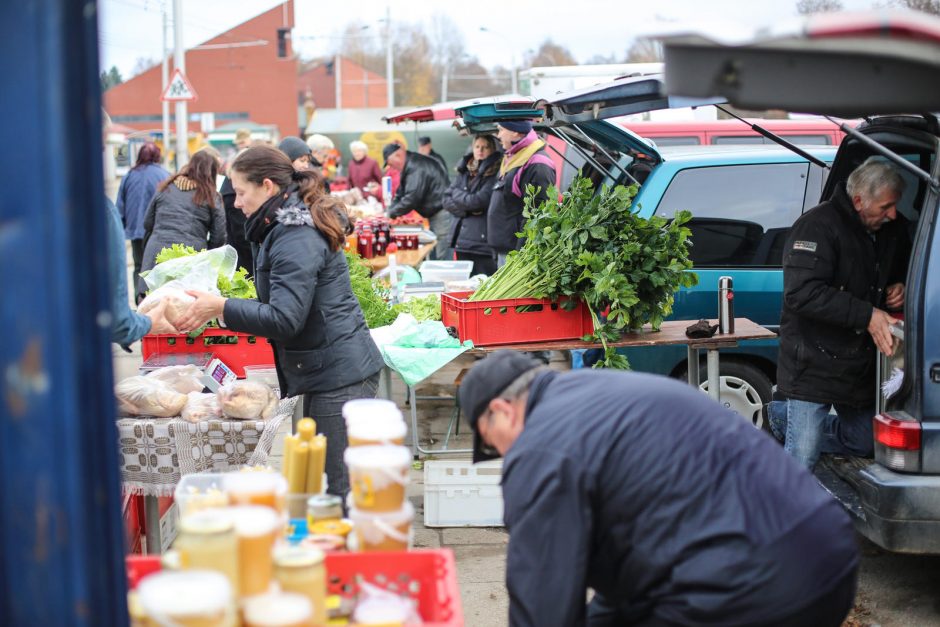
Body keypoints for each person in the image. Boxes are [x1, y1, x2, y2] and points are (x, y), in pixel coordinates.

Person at [461, 351, 859, 627]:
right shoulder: (602, 392)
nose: (500, 453)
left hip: (749, 587)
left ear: (501, 410)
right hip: (827, 552)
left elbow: (542, 602)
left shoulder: (540, 447)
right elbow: (635, 568)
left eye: (489, 441)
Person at [175, 145, 384, 500]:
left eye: (241, 192)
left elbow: (285, 318)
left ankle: (350, 553)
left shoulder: (295, 236)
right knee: (327, 486)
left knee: (340, 490)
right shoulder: (279, 227)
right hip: (327, 369)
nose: (236, 203)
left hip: (341, 374)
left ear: (268, 187)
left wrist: (221, 307)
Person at [768, 157, 909, 470]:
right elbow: (802, 293)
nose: (893, 214)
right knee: (803, 456)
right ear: (859, 201)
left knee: (865, 442)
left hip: (858, 366)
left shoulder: (892, 229)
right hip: (812, 363)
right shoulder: (816, 226)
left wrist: (901, 285)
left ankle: (786, 420)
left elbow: (904, 267)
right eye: (886, 206)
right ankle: (791, 512)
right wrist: (868, 315)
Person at [136, 150, 227, 300]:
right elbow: (219, 235)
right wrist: (206, 254)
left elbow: (147, 222)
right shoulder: (211, 196)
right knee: (183, 306)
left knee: (151, 302)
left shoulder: (166, 187)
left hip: (157, 254)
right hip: (190, 256)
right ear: (212, 172)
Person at [487, 120, 556, 266]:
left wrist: (521, 257)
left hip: (515, 255)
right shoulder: (514, 157)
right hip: (504, 249)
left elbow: (536, 215)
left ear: (515, 132)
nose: (498, 136)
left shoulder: (537, 164)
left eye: (501, 130)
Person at [442, 134, 501, 275]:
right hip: (461, 241)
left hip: (481, 243)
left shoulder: (495, 172)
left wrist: (458, 197)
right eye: (477, 146)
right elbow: (445, 199)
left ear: (492, 150)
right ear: (472, 148)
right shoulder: (465, 170)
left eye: (485, 147)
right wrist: (466, 211)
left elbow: (478, 202)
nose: (480, 150)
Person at [384, 142, 452, 260]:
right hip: (436, 211)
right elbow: (401, 193)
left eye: (391, 163)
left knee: (442, 253)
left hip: (442, 212)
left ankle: (446, 278)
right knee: (436, 250)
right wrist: (390, 209)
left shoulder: (415, 166)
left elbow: (411, 198)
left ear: (399, 155)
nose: (391, 167)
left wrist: (390, 214)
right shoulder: (410, 164)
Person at [116, 142, 170, 290]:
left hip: (135, 231)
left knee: (139, 266)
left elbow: (119, 207)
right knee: (158, 267)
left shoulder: (128, 176)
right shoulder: (165, 175)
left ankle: (139, 300)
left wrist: (123, 228)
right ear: (157, 156)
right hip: (157, 231)